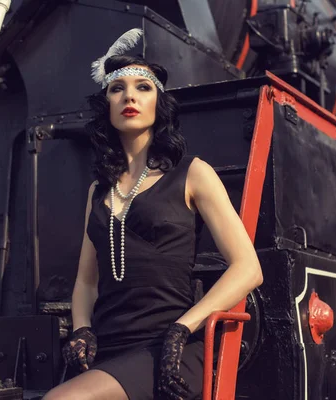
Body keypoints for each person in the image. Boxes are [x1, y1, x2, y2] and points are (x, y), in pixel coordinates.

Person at [43, 28, 263, 400]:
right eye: (117, 88)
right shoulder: (99, 190)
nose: (129, 95)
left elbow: (248, 268)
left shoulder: (193, 173)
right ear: (106, 105)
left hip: (167, 347)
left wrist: (183, 329)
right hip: (108, 349)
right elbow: (86, 282)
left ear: (159, 103)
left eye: (142, 88)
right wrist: (82, 330)